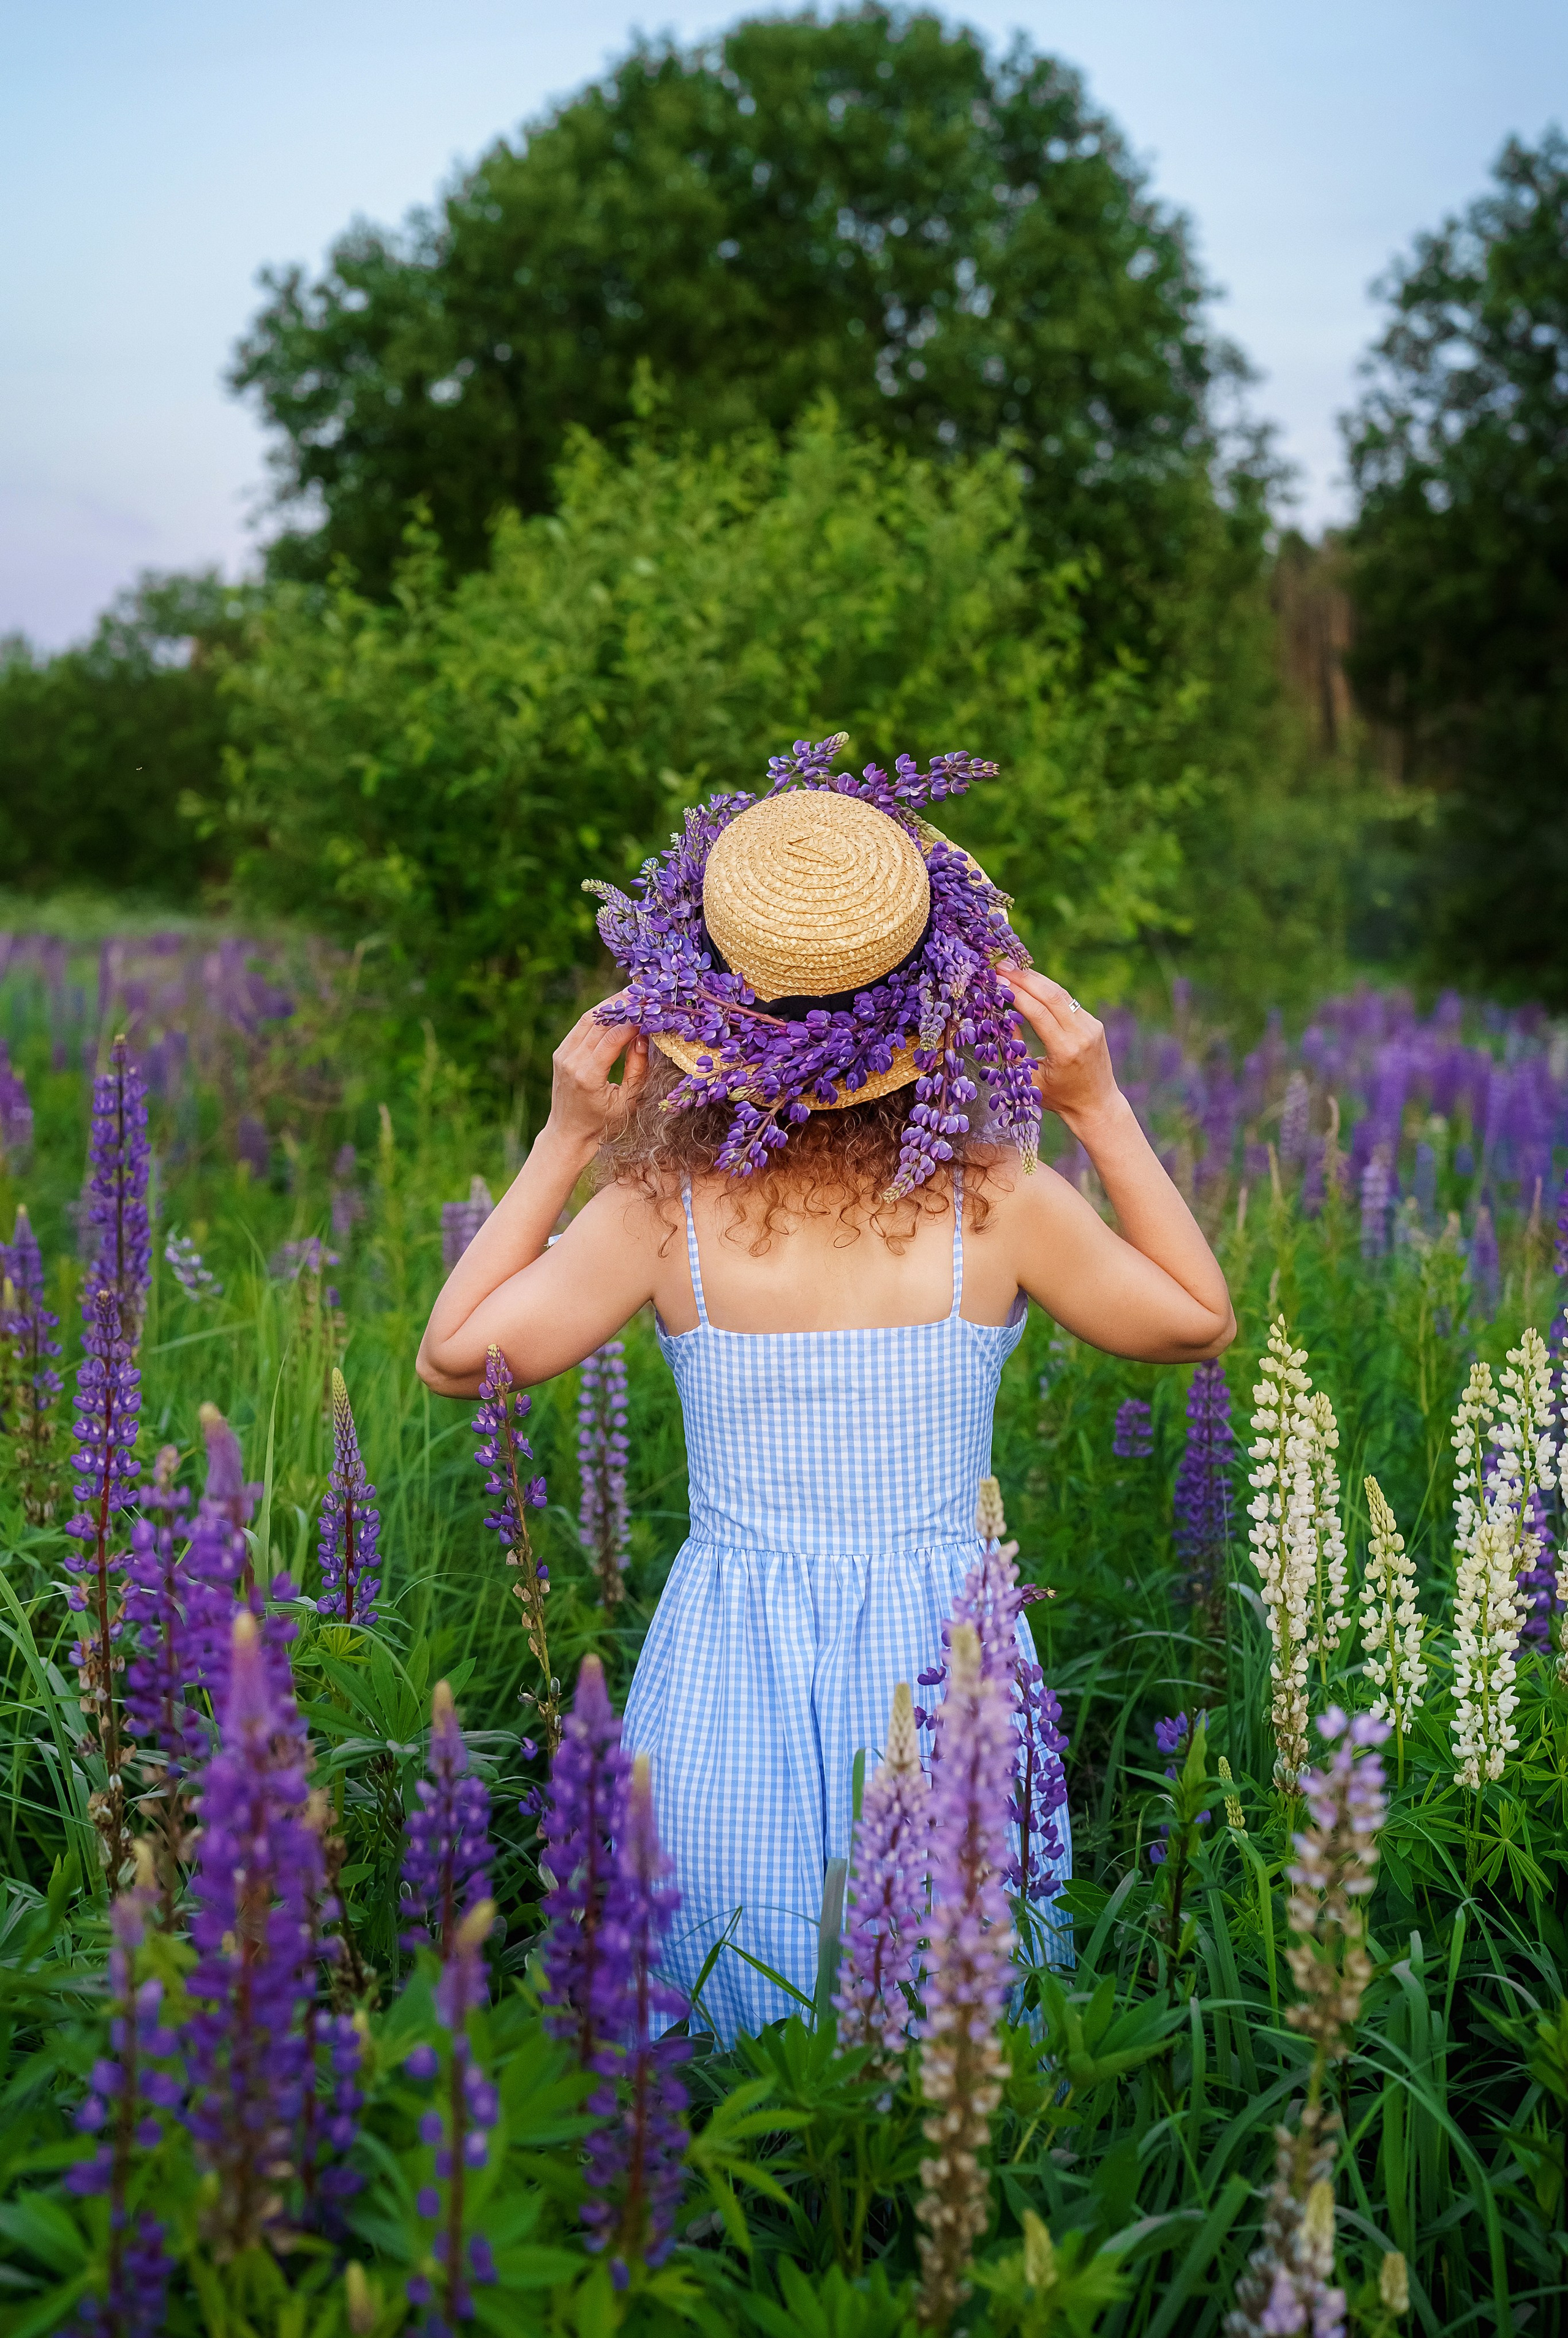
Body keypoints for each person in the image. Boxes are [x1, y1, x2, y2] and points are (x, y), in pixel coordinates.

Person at [417, 737, 1234, 2039]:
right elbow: (1197, 1323)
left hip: (724, 1667)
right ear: (930, 995)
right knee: (957, 2030)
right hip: (948, 1663)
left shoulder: (659, 1208)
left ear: (707, 995)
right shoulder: (994, 1199)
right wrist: (1097, 1104)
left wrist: (567, 1134)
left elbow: (453, 1361)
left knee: (719, 2027)